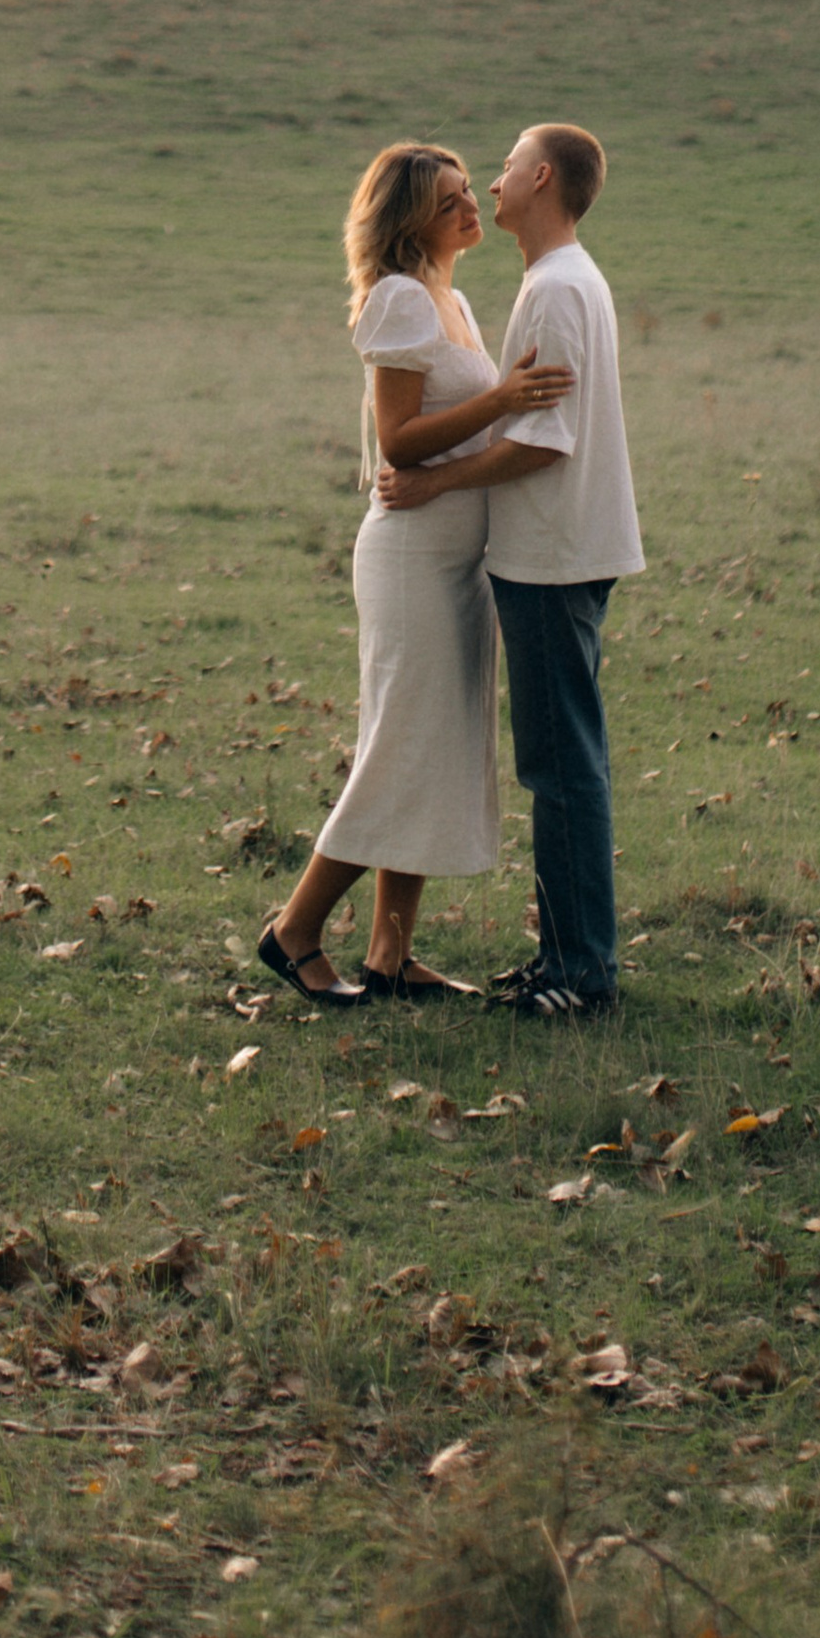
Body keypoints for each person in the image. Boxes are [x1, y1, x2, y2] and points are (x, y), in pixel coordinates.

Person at [258, 142, 571, 1005]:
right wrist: (503, 400)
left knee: (430, 747)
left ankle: (390, 958)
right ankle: (293, 932)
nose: (472, 206)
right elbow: (399, 440)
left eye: (470, 190)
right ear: (410, 222)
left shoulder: (454, 296)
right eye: (448, 201)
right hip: (411, 556)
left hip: (456, 558)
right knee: (401, 745)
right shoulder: (399, 300)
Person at [379, 121, 639, 1017]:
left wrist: (436, 479)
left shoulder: (557, 290)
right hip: (555, 550)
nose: (490, 186)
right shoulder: (555, 281)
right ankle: (567, 958)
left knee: (563, 767)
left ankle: (580, 977)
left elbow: (540, 444)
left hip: (551, 554)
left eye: (500, 169)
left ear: (538, 178)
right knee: (562, 761)